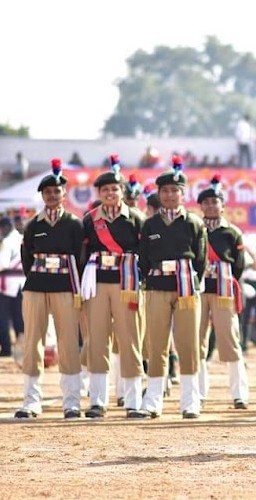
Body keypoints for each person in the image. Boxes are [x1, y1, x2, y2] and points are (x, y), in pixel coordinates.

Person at [15, 159, 84, 419]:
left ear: (64, 194)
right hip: (36, 288)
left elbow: (81, 256)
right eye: (47, 192)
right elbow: (26, 257)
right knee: (33, 341)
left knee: (68, 342)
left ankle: (72, 401)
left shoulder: (75, 224)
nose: (52, 196)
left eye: (56, 191)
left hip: (66, 287)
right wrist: (36, 277)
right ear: (42, 196)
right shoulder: (34, 225)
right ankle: (31, 401)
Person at [140, 155, 208, 419]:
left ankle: (190, 401)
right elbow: (144, 258)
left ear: (183, 194)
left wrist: (191, 279)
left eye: (175, 191)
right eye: (165, 191)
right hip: (157, 287)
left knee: (188, 343)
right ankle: (153, 399)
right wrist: (151, 279)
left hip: (187, 288)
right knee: (157, 342)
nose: (169, 195)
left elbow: (200, 260)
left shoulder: (194, 223)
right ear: (159, 194)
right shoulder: (150, 224)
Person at [80, 154, 147, 418]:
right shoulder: (89, 220)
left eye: (114, 188)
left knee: (130, 339)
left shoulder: (136, 218)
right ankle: (98, 401)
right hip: (97, 284)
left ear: (122, 191)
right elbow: (82, 253)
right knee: (97, 339)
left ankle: (133, 401)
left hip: (126, 282)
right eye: (105, 189)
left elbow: (145, 252)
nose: (110, 193)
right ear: (99, 192)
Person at [196, 175, 249, 408]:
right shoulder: (194, 229)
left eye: (214, 202)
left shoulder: (232, 232)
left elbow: (239, 264)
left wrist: (226, 278)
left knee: (230, 340)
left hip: (223, 290)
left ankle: (239, 394)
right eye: (206, 203)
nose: (210, 206)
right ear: (200, 207)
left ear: (222, 205)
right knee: (196, 342)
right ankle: (198, 393)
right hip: (197, 291)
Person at [0, 217, 25, 358]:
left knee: (3, 318)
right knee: (19, 318)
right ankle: (21, 350)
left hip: (7, 285)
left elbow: (2, 264)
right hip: (22, 283)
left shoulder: (6, 242)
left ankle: (6, 349)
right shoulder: (22, 238)